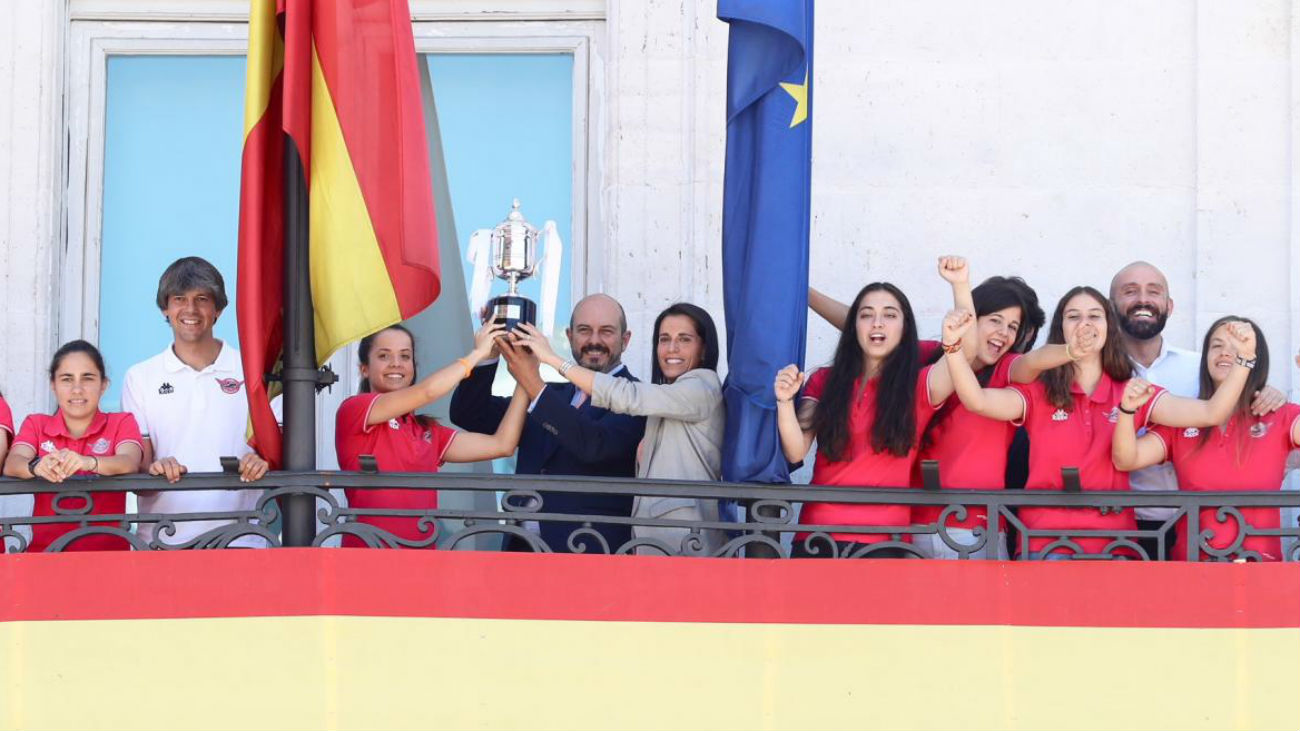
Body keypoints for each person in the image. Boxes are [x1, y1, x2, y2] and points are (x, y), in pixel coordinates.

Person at [941, 286, 1255, 559]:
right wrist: (954, 348)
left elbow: (1211, 413)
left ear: (1109, 327)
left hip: (1114, 546)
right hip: (1045, 543)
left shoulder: (1132, 390)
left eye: (1094, 315)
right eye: (1073, 316)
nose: (1085, 324)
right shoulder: (1039, 391)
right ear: (1061, 328)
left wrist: (1244, 360)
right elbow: (977, 401)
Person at [512, 302, 726, 555]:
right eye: (664, 339)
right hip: (654, 544)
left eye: (685, 339)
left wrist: (552, 359)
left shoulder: (703, 386)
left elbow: (625, 398)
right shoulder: (665, 400)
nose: (672, 348)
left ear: (704, 348)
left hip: (686, 543)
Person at [1109, 261, 1285, 556]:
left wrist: (1267, 391)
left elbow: (1235, 390)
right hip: (1127, 524)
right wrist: (1127, 412)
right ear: (1111, 306)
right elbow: (1127, 458)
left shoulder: (1198, 366)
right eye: (1130, 291)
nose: (1143, 299)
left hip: (1192, 526)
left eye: (1154, 291)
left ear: (1169, 306)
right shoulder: (1098, 373)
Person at [450, 293, 646, 553]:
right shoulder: (552, 394)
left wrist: (532, 381)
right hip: (521, 550)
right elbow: (469, 413)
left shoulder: (638, 398)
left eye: (606, 331)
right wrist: (488, 354)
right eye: (584, 330)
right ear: (569, 336)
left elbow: (593, 445)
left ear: (625, 340)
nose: (594, 341)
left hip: (591, 551)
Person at [774, 282, 957, 558]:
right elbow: (796, 450)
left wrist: (959, 287)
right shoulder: (824, 379)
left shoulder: (917, 385)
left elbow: (965, 354)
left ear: (905, 328)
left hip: (886, 540)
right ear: (853, 326)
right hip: (818, 534)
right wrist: (784, 401)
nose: (877, 323)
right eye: (866, 315)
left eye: (890, 315)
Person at [334, 323, 529, 548]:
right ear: (364, 369)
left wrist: (526, 378)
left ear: (413, 367)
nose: (396, 363)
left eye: (405, 356)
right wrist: (477, 355)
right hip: (366, 555)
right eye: (384, 356)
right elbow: (427, 392)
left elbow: (502, 444)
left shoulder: (427, 430)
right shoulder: (354, 409)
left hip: (421, 558)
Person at [120, 257, 271, 548]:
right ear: (165, 308)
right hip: (162, 543)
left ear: (218, 309)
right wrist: (156, 468)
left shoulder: (253, 370)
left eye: (202, 299)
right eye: (179, 299)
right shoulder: (140, 377)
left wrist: (262, 462)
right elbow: (140, 474)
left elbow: (278, 454)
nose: (190, 309)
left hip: (242, 541)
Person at [3, 341, 143, 552]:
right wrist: (36, 466)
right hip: (46, 555)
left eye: (87, 378)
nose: (77, 389)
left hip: (109, 556)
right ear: (53, 385)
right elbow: (12, 463)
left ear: (104, 385)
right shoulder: (36, 424)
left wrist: (88, 462)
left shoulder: (121, 422)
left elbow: (129, 462)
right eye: (67, 379)